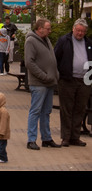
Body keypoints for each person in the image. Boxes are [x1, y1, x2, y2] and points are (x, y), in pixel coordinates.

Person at [54, 18, 92, 147]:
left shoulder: (89, 43)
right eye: (78, 30)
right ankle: (66, 137)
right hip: (67, 80)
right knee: (66, 109)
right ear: (73, 29)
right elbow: (56, 58)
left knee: (80, 109)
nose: (80, 33)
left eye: (83, 31)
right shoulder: (64, 41)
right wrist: (59, 75)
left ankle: (75, 136)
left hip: (85, 80)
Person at [24, 18, 60, 150]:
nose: (50, 31)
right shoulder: (31, 41)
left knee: (46, 111)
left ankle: (46, 138)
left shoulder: (46, 40)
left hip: (49, 82)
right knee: (36, 111)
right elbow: (29, 63)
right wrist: (44, 76)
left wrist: (55, 74)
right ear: (40, 29)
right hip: (39, 83)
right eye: (48, 28)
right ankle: (31, 140)